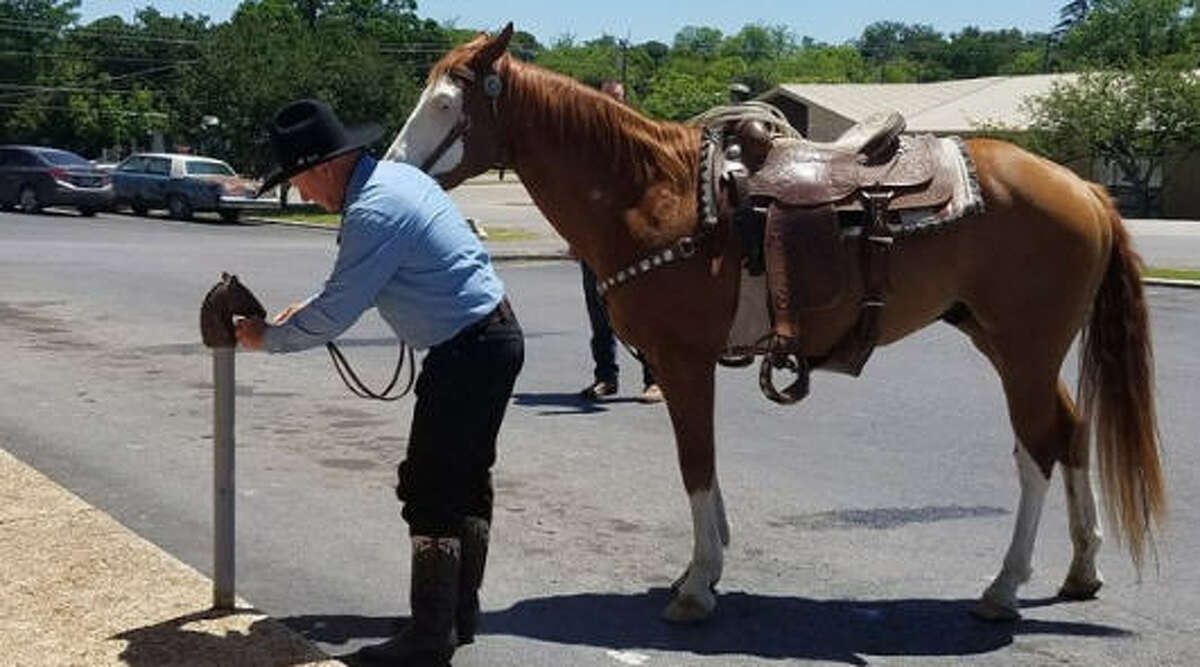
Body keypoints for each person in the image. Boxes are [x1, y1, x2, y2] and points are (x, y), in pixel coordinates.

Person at [235, 99, 523, 666]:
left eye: (298, 182)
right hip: (489, 338)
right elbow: (352, 288)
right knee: (464, 479)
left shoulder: (372, 210)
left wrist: (264, 338)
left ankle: (430, 636)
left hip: (468, 351)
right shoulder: (396, 181)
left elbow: (341, 308)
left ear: (319, 168)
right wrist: (308, 311)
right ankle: (454, 615)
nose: (304, 195)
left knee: (429, 486)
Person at [577, 80, 663, 404]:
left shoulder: (639, 144)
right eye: (607, 100)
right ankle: (605, 377)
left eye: (618, 100)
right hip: (594, 244)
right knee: (600, 316)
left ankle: (655, 379)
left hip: (631, 246)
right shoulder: (587, 149)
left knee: (640, 313)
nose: (613, 106)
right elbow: (576, 198)